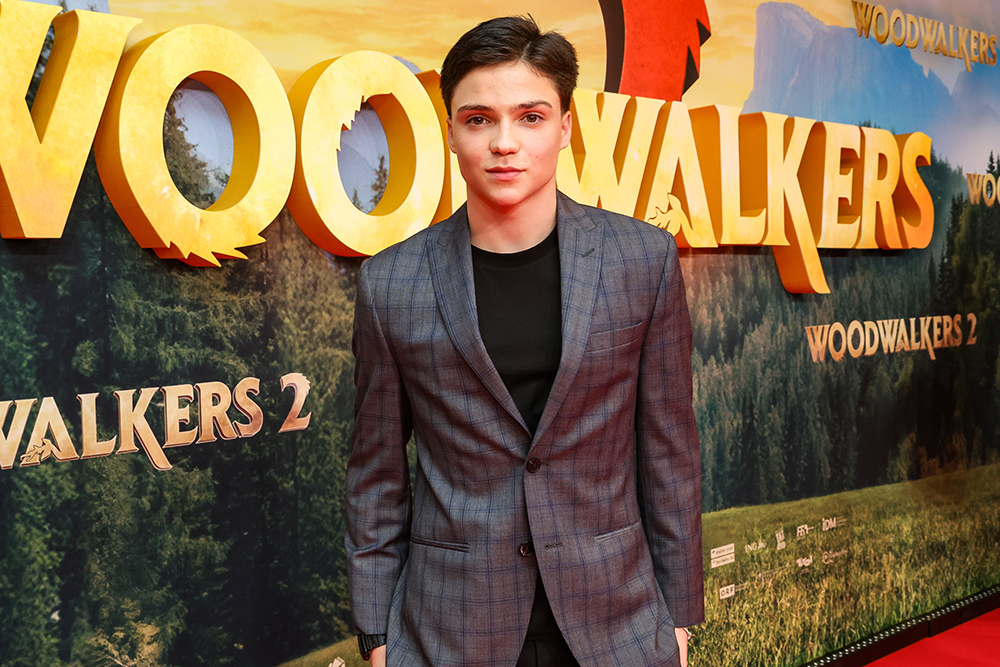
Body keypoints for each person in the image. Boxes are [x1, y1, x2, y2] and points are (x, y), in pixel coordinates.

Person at [345, 15, 703, 667]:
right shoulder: (389, 283)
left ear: (564, 126)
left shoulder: (642, 260)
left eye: (530, 117)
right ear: (451, 130)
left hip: (618, 625)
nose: (504, 142)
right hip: (448, 631)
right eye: (479, 119)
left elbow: (670, 456)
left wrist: (678, 621)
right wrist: (376, 636)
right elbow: (376, 478)